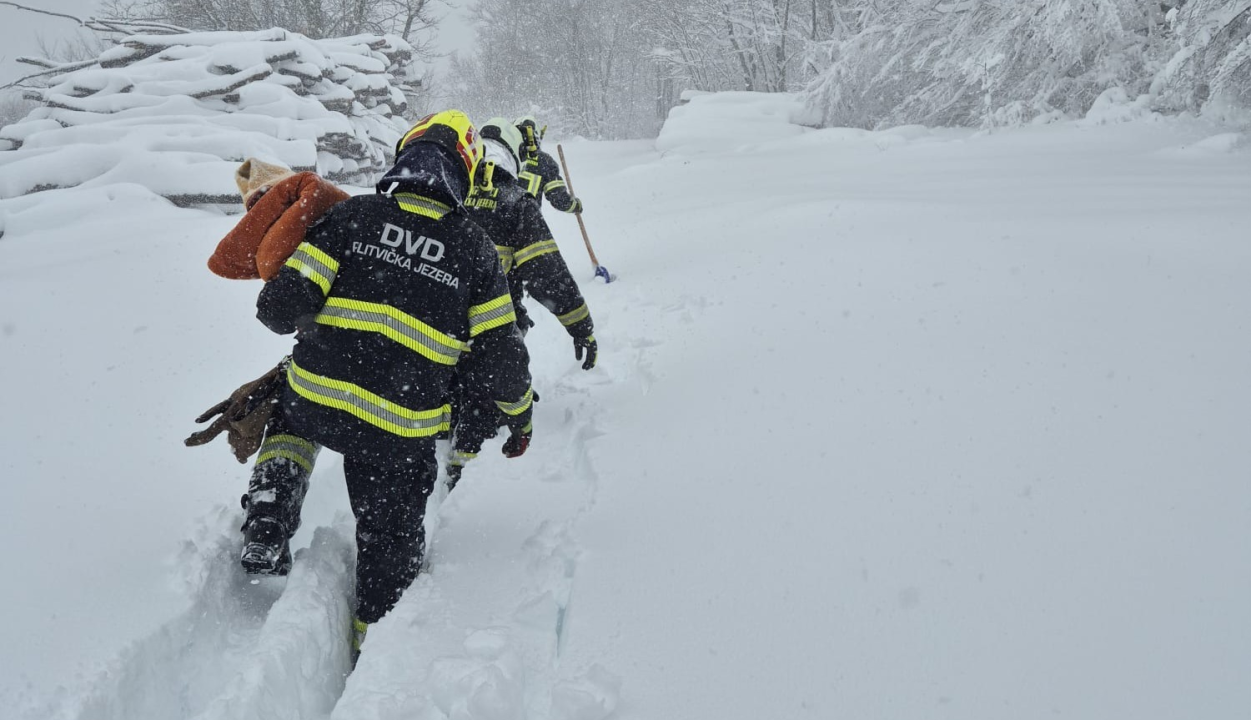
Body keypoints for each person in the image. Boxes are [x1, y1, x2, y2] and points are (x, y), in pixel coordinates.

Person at [248, 109, 534, 663]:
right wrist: (519, 414)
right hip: (397, 433)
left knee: (287, 414)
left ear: (406, 156)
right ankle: (372, 648)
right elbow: (502, 360)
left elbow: (278, 310)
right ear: (465, 174)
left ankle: (270, 512)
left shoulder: (353, 217)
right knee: (390, 538)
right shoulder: (474, 250)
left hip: (318, 398)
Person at [448, 117, 597, 486]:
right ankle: (461, 479)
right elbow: (550, 276)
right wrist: (582, 328)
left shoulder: (447, 189)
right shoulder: (515, 201)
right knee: (484, 396)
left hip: (431, 333)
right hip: (493, 332)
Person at [514, 115, 583, 214]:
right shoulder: (545, 162)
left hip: (496, 219)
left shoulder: (503, 156)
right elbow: (558, 199)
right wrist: (574, 205)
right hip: (527, 221)